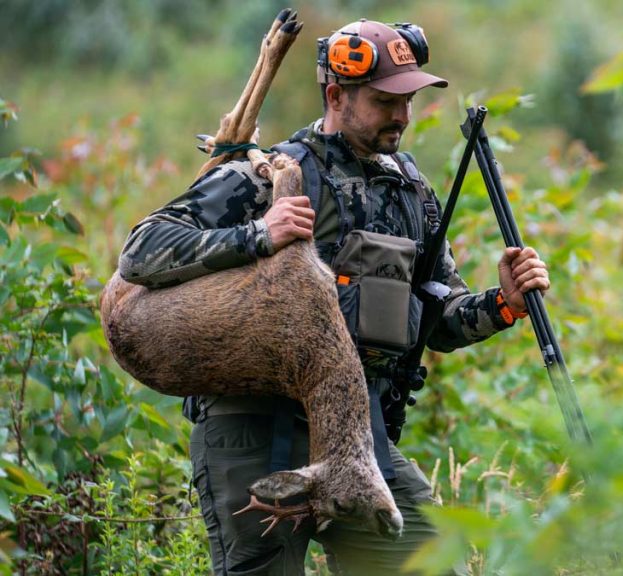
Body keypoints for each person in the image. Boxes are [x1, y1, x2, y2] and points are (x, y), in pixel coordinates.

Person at [117, 18, 550, 575]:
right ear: (335, 95)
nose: (401, 114)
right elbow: (141, 249)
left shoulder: (410, 190)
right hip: (253, 428)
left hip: (354, 435)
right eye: (383, 100)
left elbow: (436, 318)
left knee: (426, 561)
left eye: (409, 99)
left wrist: (503, 304)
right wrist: (257, 234)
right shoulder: (269, 172)